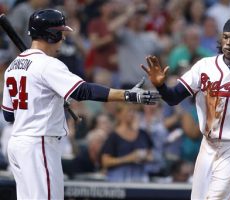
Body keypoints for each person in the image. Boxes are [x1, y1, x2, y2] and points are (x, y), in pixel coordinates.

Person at [1, 9, 160, 200]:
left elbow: (9, 115)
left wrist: (51, 101)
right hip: (39, 143)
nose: (63, 38)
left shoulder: (12, 67)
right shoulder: (47, 64)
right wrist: (128, 96)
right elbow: (83, 91)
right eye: (60, 33)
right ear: (51, 34)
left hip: (18, 144)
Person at [142, 18, 230, 200]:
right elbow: (173, 98)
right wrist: (160, 86)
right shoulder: (205, 65)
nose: (228, 42)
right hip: (208, 145)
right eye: (225, 37)